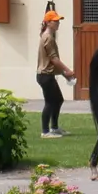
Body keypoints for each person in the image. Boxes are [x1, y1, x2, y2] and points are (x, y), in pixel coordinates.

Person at [35, 9, 75, 138]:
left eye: (58, 21)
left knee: (58, 100)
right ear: (48, 22)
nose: (58, 23)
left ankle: (54, 127)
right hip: (45, 75)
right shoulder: (48, 37)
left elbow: (53, 61)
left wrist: (64, 74)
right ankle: (45, 131)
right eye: (55, 21)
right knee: (50, 102)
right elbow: (54, 59)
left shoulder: (48, 36)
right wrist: (67, 70)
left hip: (47, 75)